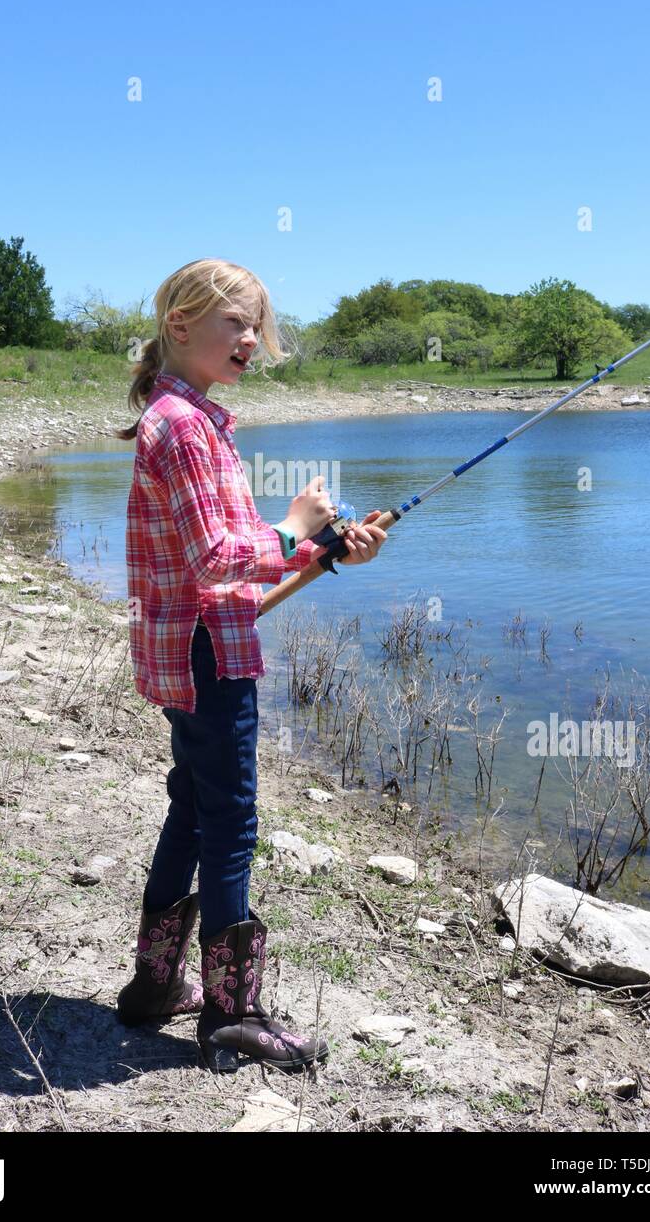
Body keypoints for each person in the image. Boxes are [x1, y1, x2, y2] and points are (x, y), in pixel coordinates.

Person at [113, 258, 387, 1074]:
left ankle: (154, 988)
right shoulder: (184, 425)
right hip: (208, 653)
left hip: (188, 645)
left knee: (193, 808)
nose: (250, 341)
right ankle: (233, 1015)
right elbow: (216, 557)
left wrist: (325, 550)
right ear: (181, 325)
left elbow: (234, 559)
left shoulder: (184, 418)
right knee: (230, 822)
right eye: (235, 323)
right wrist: (297, 524)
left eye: (255, 326)